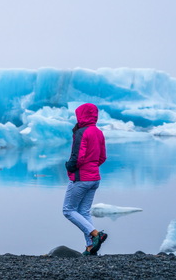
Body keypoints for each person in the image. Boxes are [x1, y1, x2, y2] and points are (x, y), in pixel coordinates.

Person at [63, 103, 107, 256]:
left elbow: (78, 157)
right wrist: (92, 166)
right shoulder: (98, 132)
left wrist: (69, 166)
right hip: (94, 178)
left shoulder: (82, 132)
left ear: (81, 115)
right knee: (84, 212)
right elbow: (102, 157)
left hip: (81, 178)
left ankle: (96, 235)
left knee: (68, 210)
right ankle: (90, 247)